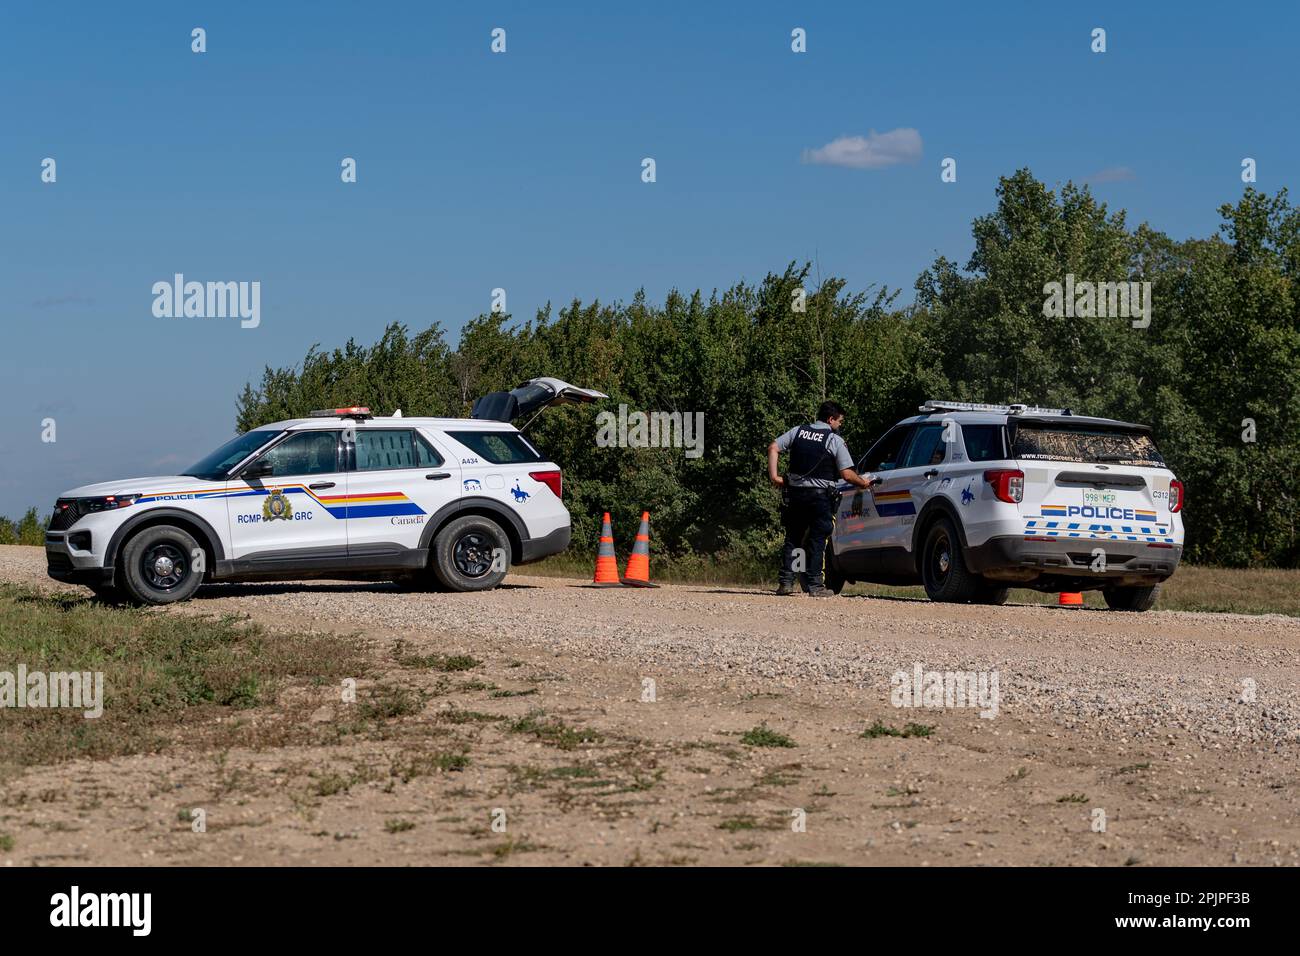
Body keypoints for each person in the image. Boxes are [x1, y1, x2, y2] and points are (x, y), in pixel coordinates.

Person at [767, 401, 872, 596]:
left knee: (794, 538)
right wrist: (863, 483)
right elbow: (847, 474)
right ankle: (815, 585)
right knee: (817, 540)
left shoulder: (798, 431)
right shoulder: (834, 440)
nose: (840, 425)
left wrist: (775, 477)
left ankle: (787, 582)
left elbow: (773, 447)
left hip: (795, 495)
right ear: (831, 419)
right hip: (820, 498)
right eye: (839, 421)